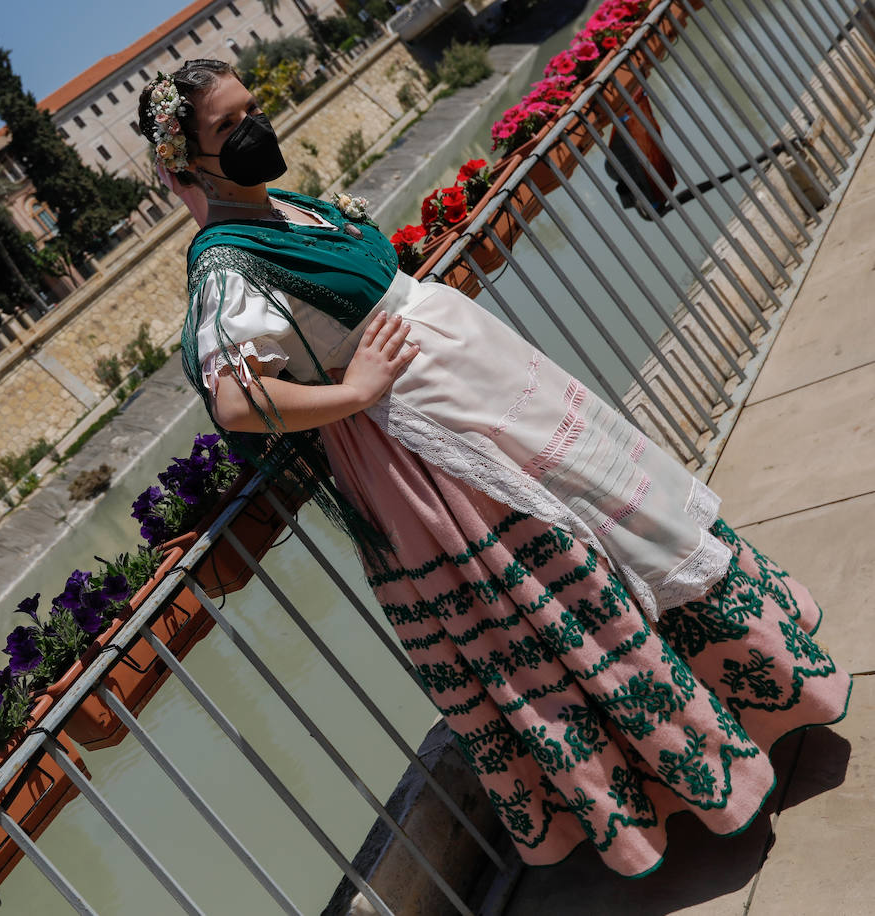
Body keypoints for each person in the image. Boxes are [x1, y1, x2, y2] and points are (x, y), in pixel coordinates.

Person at [137, 60, 851, 878]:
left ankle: (742, 707)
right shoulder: (224, 261)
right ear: (187, 158)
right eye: (229, 127)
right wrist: (361, 386)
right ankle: (683, 777)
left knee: (625, 517)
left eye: (252, 109)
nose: (254, 129)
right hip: (431, 445)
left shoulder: (283, 210)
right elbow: (236, 403)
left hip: (478, 393)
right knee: (570, 589)